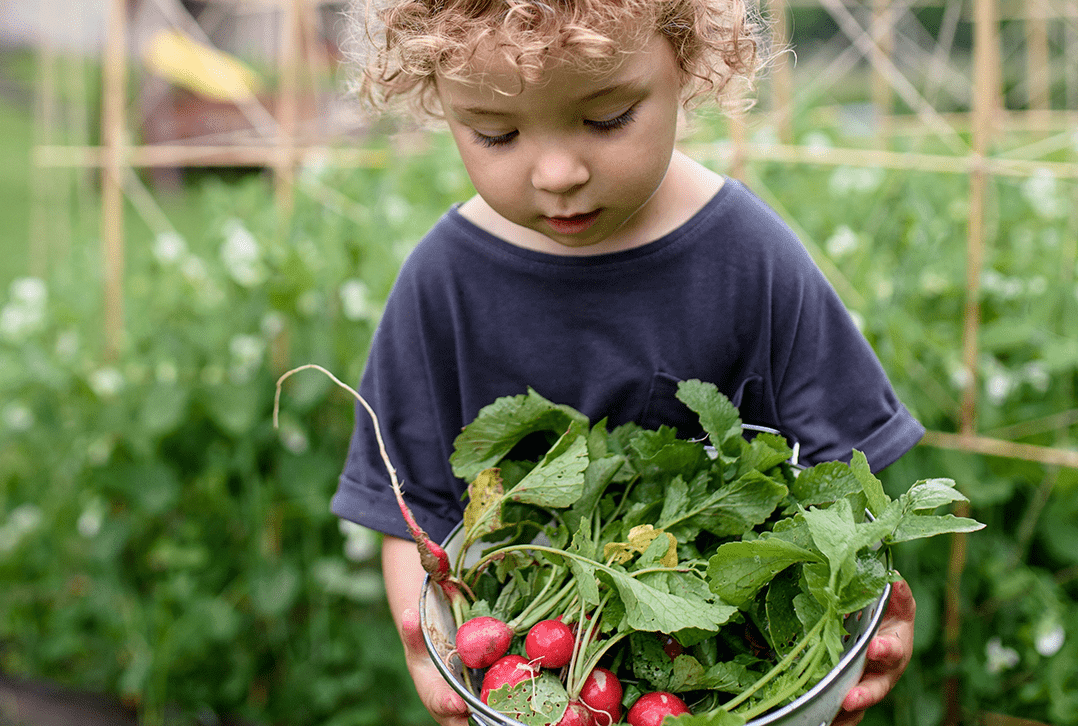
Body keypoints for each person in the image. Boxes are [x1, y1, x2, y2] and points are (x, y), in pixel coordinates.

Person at [328, 0, 923, 723]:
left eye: (607, 119)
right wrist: (442, 653)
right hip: (532, 690)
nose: (557, 172)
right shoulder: (442, 285)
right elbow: (413, 513)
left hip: (724, 684)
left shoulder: (751, 261)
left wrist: (856, 623)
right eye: (495, 133)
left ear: (687, 61)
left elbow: (847, 499)